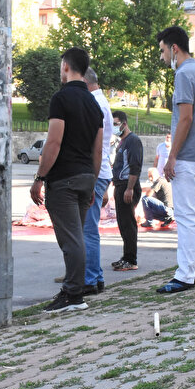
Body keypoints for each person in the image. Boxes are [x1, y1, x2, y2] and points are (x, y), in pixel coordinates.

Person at [29, 47, 103, 313]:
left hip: (64, 179)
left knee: (71, 240)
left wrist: (40, 177)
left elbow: (54, 141)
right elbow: (98, 151)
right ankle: (75, 290)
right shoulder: (94, 104)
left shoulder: (61, 99)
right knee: (78, 237)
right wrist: (93, 181)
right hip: (85, 178)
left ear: (66, 67)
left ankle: (73, 295)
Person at [156, 25, 195, 294]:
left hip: (189, 159)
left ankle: (184, 275)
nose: (161, 57)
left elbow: (186, 118)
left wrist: (172, 157)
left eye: (162, 51)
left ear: (174, 48)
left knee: (186, 216)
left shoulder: (183, 75)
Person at [81, 68, 114, 296]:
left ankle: (90, 278)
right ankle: (96, 276)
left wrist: (92, 180)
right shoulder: (99, 102)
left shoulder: (95, 104)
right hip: (99, 171)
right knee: (88, 228)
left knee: (88, 229)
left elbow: (94, 144)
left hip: (96, 172)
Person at [110, 111, 144, 272]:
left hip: (127, 185)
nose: (115, 127)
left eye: (116, 124)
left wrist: (130, 188)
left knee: (128, 223)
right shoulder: (122, 142)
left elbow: (135, 166)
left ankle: (131, 259)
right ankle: (126, 256)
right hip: (120, 185)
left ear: (124, 123)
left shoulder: (133, 141)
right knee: (123, 223)